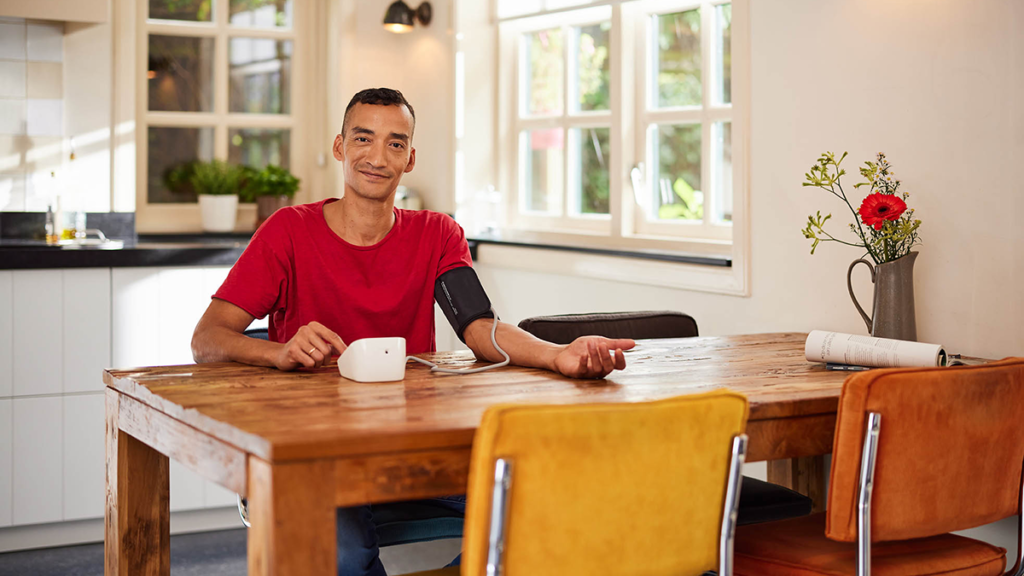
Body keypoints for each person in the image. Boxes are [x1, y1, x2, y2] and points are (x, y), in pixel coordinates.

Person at [191, 87, 635, 576]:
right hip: (318, 458)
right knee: (341, 557)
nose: (378, 157)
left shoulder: (437, 233)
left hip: (415, 455)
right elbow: (207, 339)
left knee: (550, 508)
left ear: (410, 157)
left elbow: (478, 327)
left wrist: (557, 355)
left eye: (395, 143)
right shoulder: (287, 231)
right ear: (340, 147)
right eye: (364, 139)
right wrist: (277, 352)